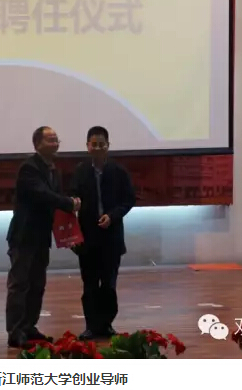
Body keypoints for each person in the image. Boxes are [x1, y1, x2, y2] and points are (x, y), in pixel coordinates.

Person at [5, 126, 80, 348]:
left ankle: (29, 326)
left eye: (56, 139)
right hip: (24, 235)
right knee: (20, 284)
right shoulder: (29, 168)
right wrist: (68, 203)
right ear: (37, 144)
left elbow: (53, 199)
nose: (55, 142)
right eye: (50, 139)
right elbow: (42, 194)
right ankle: (15, 331)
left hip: (41, 236)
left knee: (37, 284)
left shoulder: (53, 170)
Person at [70, 126, 136, 340]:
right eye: (94, 144)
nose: (98, 148)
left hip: (111, 237)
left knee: (108, 284)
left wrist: (113, 216)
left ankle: (106, 324)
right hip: (87, 238)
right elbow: (71, 200)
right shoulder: (80, 171)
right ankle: (91, 326)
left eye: (102, 144)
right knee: (89, 284)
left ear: (108, 146)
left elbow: (129, 200)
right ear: (87, 146)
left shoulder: (118, 171)